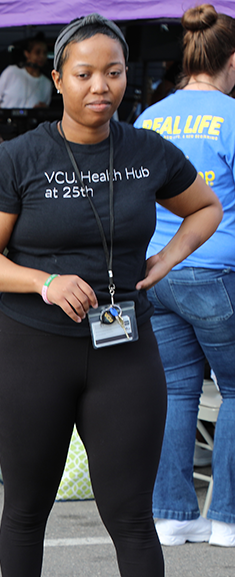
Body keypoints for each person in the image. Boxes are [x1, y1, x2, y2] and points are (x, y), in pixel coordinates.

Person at [0, 14, 221, 577]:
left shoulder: (146, 151)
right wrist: (42, 282)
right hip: (31, 349)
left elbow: (203, 206)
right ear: (58, 80)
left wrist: (165, 262)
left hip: (123, 349)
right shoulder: (18, 159)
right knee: (27, 508)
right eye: (84, 74)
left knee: (130, 513)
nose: (100, 86)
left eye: (112, 72)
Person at [135, 4, 235, 548]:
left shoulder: (151, 116)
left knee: (175, 391)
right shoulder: (233, 117)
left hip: (160, 269)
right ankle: (229, 517)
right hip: (218, 271)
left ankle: (172, 514)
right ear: (232, 61)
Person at [0, 33, 53, 109]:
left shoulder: (47, 84)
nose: (41, 56)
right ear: (27, 54)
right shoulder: (12, 71)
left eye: (44, 53)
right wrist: (0, 116)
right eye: (37, 52)